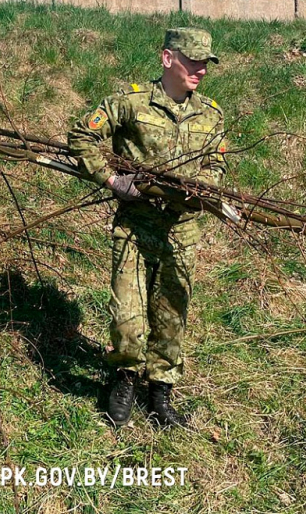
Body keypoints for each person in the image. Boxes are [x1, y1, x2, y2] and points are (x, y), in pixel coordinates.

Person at [67, 28, 227, 427]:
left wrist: (203, 188)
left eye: (205, 63)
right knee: (127, 316)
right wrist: (111, 179)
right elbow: (81, 136)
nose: (201, 70)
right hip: (135, 228)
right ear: (168, 58)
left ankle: (160, 391)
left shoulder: (211, 114)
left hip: (181, 232)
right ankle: (124, 378)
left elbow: (217, 164)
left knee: (172, 316)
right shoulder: (130, 102)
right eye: (193, 61)